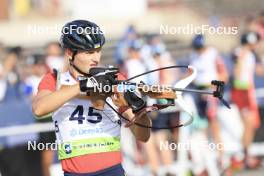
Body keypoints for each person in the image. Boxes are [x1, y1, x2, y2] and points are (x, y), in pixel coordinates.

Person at [32, 20, 153, 176]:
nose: (96, 58)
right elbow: (39, 108)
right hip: (73, 173)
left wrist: (140, 110)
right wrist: (83, 86)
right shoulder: (55, 79)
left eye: (98, 51)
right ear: (70, 53)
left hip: (112, 171)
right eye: (89, 52)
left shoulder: (114, 78)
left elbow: (143, 136)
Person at [231, 31, 262, 169]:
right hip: (242, 92)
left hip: (247, 91)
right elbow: (237, 72)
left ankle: (245, 155)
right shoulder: (242, 52)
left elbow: (257, 70)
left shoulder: (250, 55)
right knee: (248, 125)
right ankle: (243, 156)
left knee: (250, 126)